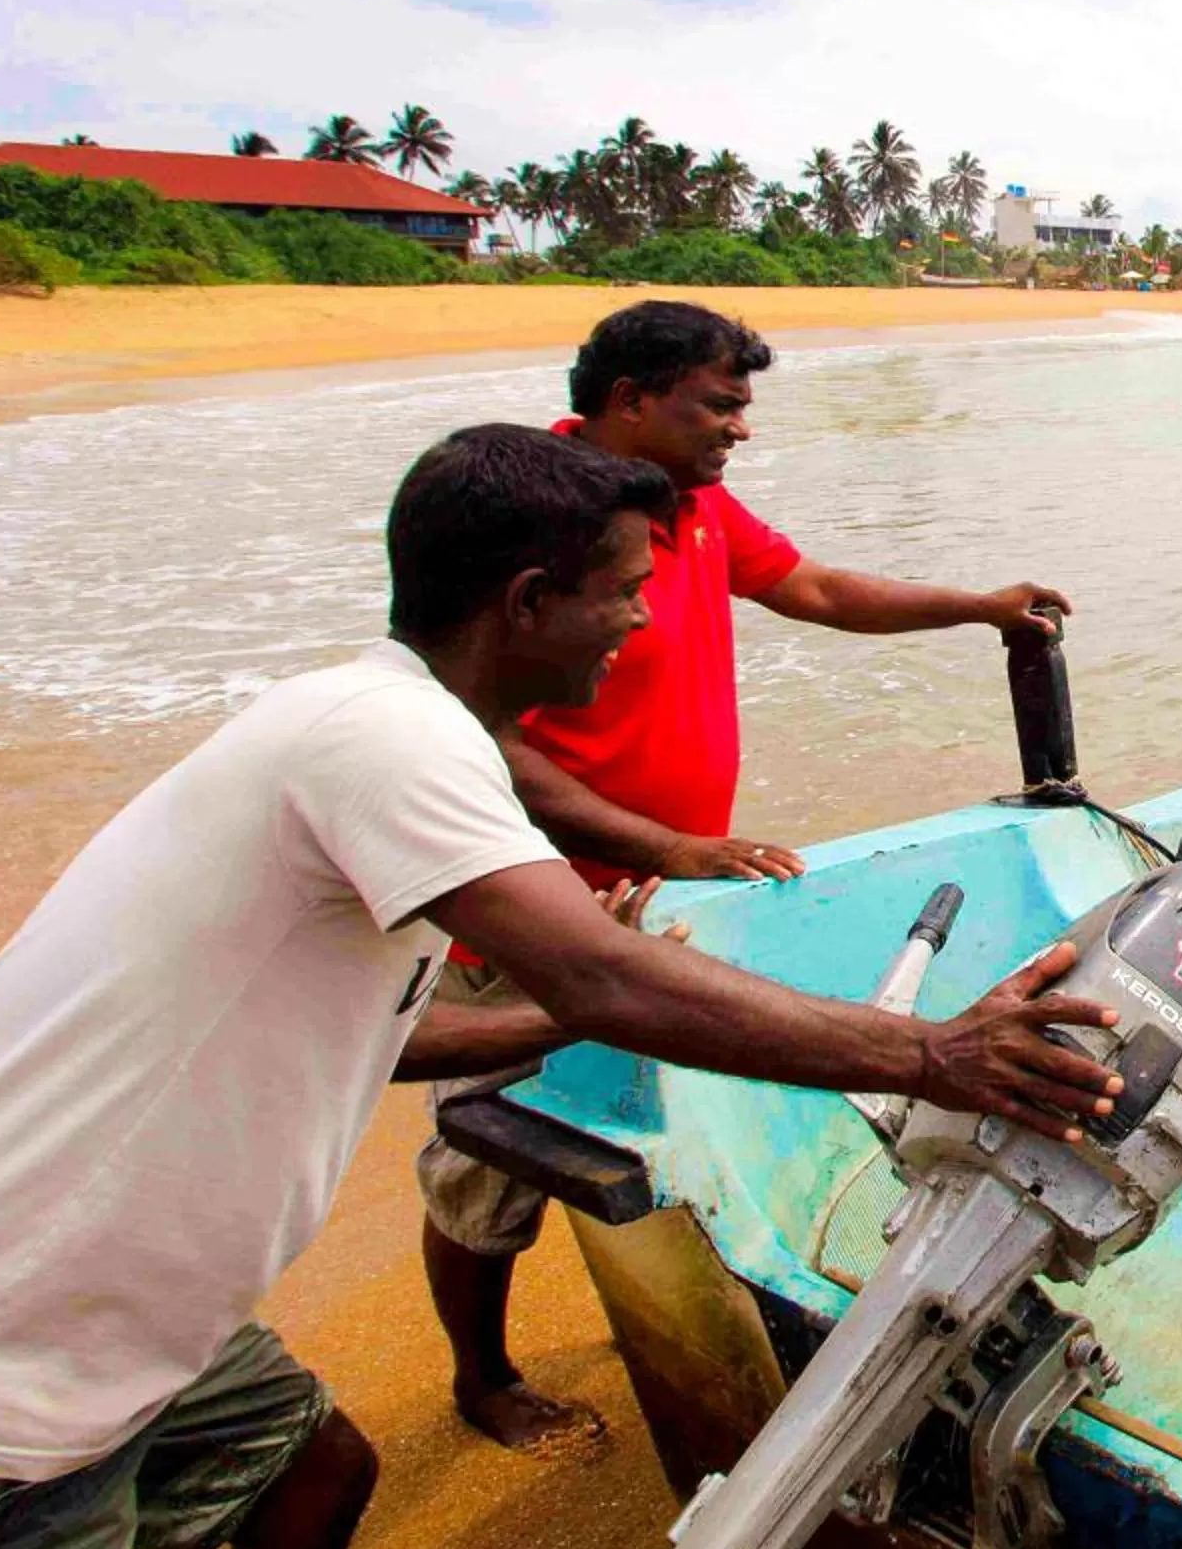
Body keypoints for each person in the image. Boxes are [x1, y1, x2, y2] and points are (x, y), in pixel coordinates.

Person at [0, 424, 1121, 1549]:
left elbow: (390, 1032)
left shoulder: (376, 716)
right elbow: (600, 972)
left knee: (315, 1470)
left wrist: (553, 1015)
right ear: (527, 601)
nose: (644, 617)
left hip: (131, 1308)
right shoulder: (391, 739)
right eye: (623, 591)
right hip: (9, 1342)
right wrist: (928, 1054)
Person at [421, 301, 1075, 1446]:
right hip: (530, 915)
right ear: (630, 399)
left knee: (644, 1127)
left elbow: (812, 588)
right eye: (718, 404)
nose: (740, 427)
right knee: (486, 1169)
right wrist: (664, 844)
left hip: (665, 908)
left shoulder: (695, 507)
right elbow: (482, 734)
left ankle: (664, 1311)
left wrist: (976, 608)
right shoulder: (541, 519)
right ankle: (481, 1375)